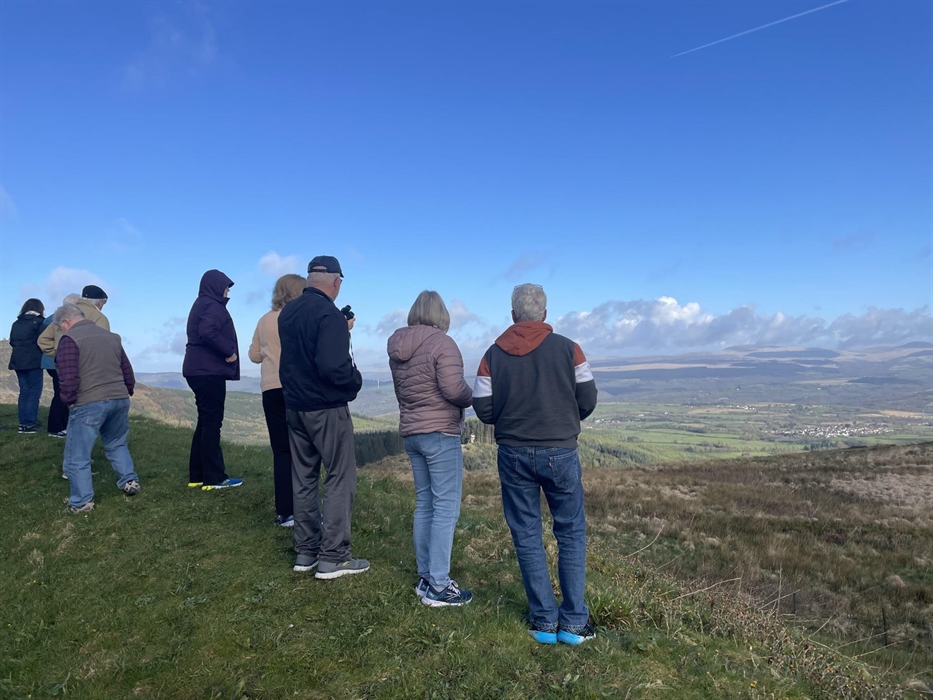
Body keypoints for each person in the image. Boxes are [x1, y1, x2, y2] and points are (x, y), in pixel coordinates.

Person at [473, 283, 598, 645]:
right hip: (561, 450)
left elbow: (482, 408)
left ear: (513, 315)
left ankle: (543, 620)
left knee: (527, 533)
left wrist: (510, 422)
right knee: (570, 532)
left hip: (513, 452)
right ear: (544, 315)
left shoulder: (492, 355)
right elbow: (587, 398)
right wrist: (563, 420)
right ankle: (574, 623)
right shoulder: (569, 349)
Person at [278, 255, 367, 579]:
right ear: (336, 281)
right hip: (327, 408)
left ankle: (306, 551)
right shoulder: (328, 314)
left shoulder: (289, 312)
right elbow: (333, 366)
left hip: (294, 405)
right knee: (340, 477)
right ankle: (334, 556)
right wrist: (354, 381)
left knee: (303, 478)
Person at [387, 291, 474, 607]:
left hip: (412, 432)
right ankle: (438, 585)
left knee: (424, 503)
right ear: (441, 315)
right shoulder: (442, 343)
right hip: (440, 433)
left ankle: (426, 577)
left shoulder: (397, 347)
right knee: (445, 507)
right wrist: (471, 396)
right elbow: (453, 388)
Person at [54, 304, 140, 513]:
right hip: (119, 397)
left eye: (59, 327)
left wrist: (69, 400)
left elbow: (68, 375)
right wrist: (127, 390)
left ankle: (82, 502)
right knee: (117, 443)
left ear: (66, 321)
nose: (61, 331)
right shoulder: (112, 337)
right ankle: (129, 481)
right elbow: (126, 369)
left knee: (78, 455)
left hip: (89, 401)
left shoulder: (70, 340)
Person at [249, 273, 307, 527]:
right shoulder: (299, 317)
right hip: (296, 387)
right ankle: (306, 508)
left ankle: (285, 512)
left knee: (281, 451)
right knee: (303, 450)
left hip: (270, 388)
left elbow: (253, 355)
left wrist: (269, 352)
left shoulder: (264, 320)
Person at [182, 270, 243, 491]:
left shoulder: (201, 303)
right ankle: (214, 477)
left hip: (197, 369)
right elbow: (208, 331)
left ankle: (197, 475)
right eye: (226, 288)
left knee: (205, 421)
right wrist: (229, 351)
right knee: (211, 423)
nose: (228, 292)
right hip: (209, 371)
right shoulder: (213, 306)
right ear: (216, 286)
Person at [38, 293, 83, 440]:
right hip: (59, 363)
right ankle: (55, 427)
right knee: (61, 394)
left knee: (61, 393)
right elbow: (43, 340)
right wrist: (58, 354)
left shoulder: (51, 318)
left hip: (54, 362)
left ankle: (61, 426)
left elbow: (44, 340)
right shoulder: (58, 320)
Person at [8, 298, 46, 434]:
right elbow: (43, 341)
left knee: (24, 391)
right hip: (34, 360)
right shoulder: (40, 322)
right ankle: (30, 423)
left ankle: (23, 423)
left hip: (18, 361)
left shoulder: (17, 323)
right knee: (34, 391)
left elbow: (12, 341)